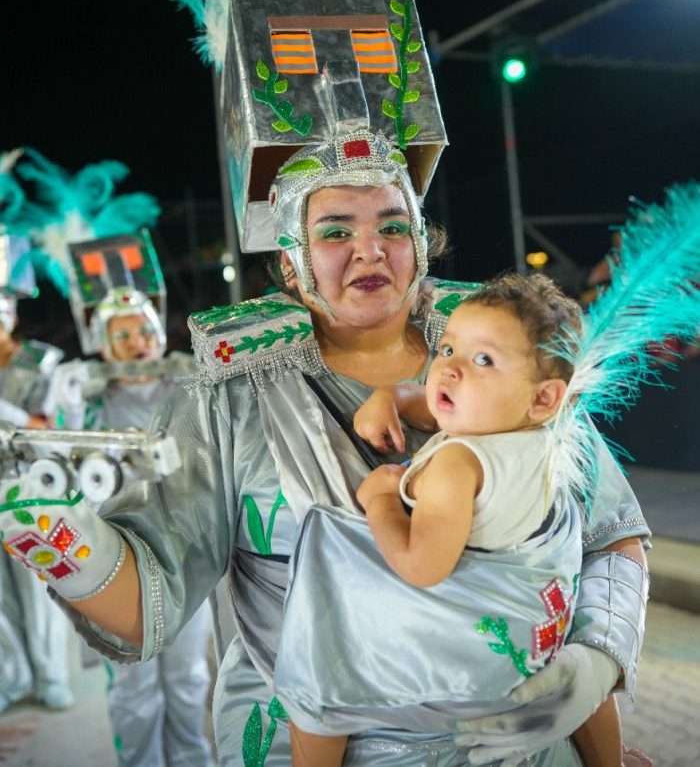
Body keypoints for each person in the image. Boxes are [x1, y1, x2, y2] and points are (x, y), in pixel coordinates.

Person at [0, 128, 651, 766]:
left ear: (421, 245)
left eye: (393, 227)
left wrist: (592, 662)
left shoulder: (510, 357)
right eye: (336, 231)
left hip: (523, 737)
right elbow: (150, 604)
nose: (369, 249)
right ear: (291, 258)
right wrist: (53, 534)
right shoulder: (228, 398)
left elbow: (610, 533)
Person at [276, 271, 633, 767]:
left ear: (545, 397)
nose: (449, 370)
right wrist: (396, 397)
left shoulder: (456, 465)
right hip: (542, 649)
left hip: (465, 671)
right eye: (446, 350)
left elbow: (422, 566)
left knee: (313, 682)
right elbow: (450, 407)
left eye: (483, 359)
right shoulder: (543, 436)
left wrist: (379, 500)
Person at [48, 280, 214, 767]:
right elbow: (61, 456)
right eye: (122, 337)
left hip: (187, 551)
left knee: (188, 677)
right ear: (103, 346)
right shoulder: (91, 399)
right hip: (114, 554)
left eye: (143, 331)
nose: (137, 344)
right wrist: (70, 401)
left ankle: (192, 760)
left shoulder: (187, 386)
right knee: (132, 680)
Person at [0, 291, 74, 714]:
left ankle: (51, 676)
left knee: (35, 583)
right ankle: (13, 676)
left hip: (26, 485)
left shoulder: (42, 360)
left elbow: (49, 427)